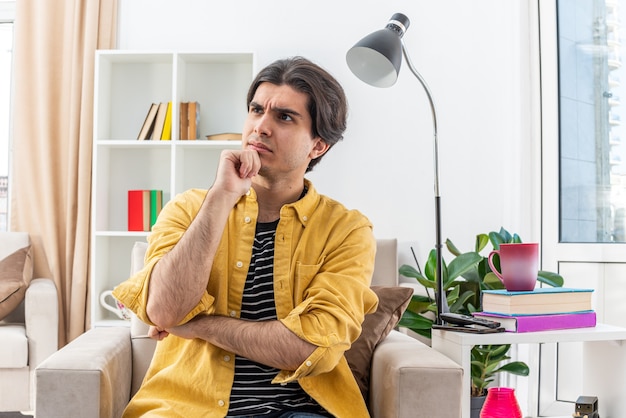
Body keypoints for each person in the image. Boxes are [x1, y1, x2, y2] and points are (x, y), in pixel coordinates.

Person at [113, 56, 378, 418]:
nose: (260, 127)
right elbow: (163, 310)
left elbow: (311, 346)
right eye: (256, 110)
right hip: (187, 406)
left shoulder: (347, 230)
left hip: (301, 408)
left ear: (318, 145)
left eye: (284, 116)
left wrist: (198, 325)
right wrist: (221, 197)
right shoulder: (190, 209)